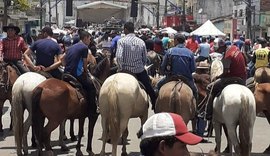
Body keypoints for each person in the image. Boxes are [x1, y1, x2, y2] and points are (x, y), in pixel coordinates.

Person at [116, 22, 157, 111]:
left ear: (125, 30)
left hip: (125, 70)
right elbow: (145, 58)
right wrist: (141, 66)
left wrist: (120, 68)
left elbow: (119, 57)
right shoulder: (141, 42)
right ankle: (154, 103)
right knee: (149, 87)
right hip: (138, 71)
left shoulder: (121, 41)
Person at [206, 38, 247, 119]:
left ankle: (208, 113)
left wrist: (217, 77)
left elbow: (225, 72)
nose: (218, 51)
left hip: (233, 78)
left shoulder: (227, 55)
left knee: (209, 87)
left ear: (222, 47)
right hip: (243, 78)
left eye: (219, 49)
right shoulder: (236, 48)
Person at [64, 30, 97, 115]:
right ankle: (92, 109)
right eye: (89, 39)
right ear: (85, 38)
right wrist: (86, 71)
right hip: (76, 74)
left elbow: (63, 60)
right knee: (91, 87)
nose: (90, 41)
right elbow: (85, 63)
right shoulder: (84, 48)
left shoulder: (71, 47)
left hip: (66, 73)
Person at [156, 34, 197, 99]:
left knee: (157, 86)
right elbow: (193, 69)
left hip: (170, 77)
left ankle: (155, 107)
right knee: (195, 92)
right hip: (186, 78)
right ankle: (196, 108)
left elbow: (163, 66)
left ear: (176, 41)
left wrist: (163, 71)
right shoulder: (190, 53)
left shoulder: (169, 51)